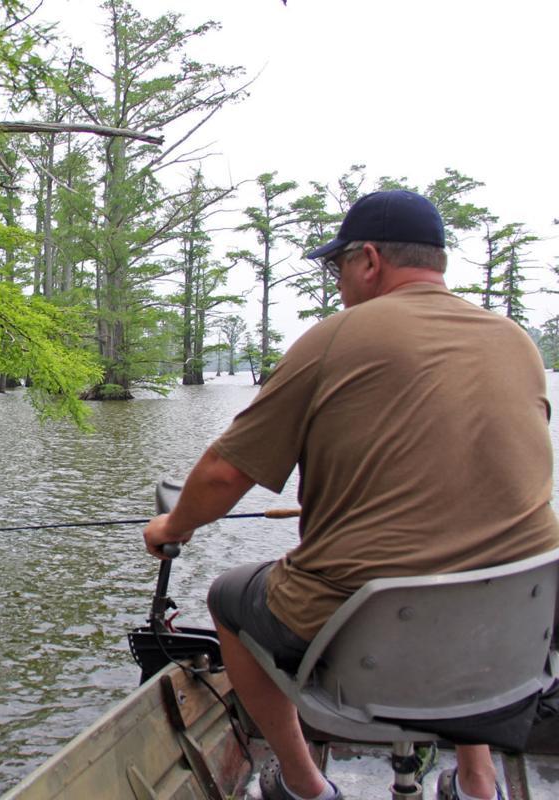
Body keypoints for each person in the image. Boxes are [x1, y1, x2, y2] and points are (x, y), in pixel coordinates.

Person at [143, 189, 559, 800]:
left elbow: (223, 476)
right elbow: (478, 475)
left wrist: (171, 528)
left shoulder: (335, 337)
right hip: (521, 619)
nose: (338, 282)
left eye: (337, 267)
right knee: (471, 573)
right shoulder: (517, 342)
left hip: (372, 624)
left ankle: (304, 785)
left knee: (227, 599)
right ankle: (477, 782)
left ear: (368, 260)